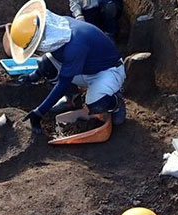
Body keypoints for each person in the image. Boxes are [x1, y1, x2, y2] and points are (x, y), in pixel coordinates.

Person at [8, 0, 126, 134]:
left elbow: (63, 83)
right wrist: (34, 75)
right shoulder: (58, 28)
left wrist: (39, 112)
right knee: (45, 64)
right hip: (84, 67)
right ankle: (72, 99)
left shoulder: (74, 45)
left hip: (107, 71)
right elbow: (52, 63)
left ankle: (115, 103)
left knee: (97, 104)